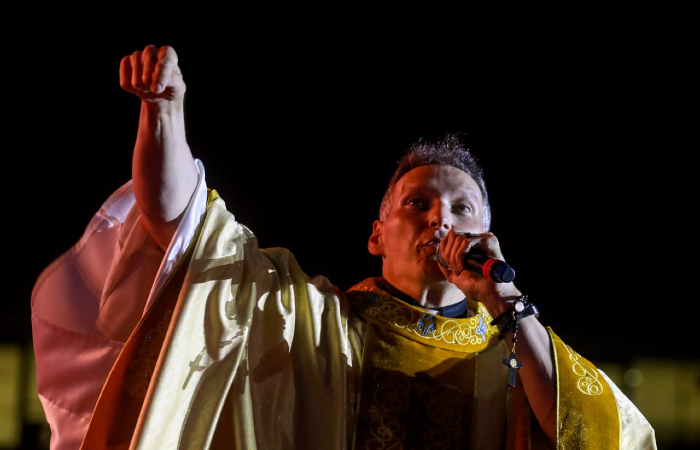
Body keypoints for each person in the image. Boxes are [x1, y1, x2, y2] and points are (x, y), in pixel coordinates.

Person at [30, 44, 657, 450]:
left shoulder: (514, 351)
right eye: (418, 204)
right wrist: (165, 114)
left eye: (462, 209)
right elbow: (183, 232)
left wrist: (506, 302)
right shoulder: (315, 324)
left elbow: (606, 436)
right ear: (377, 235)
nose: (441, 218)